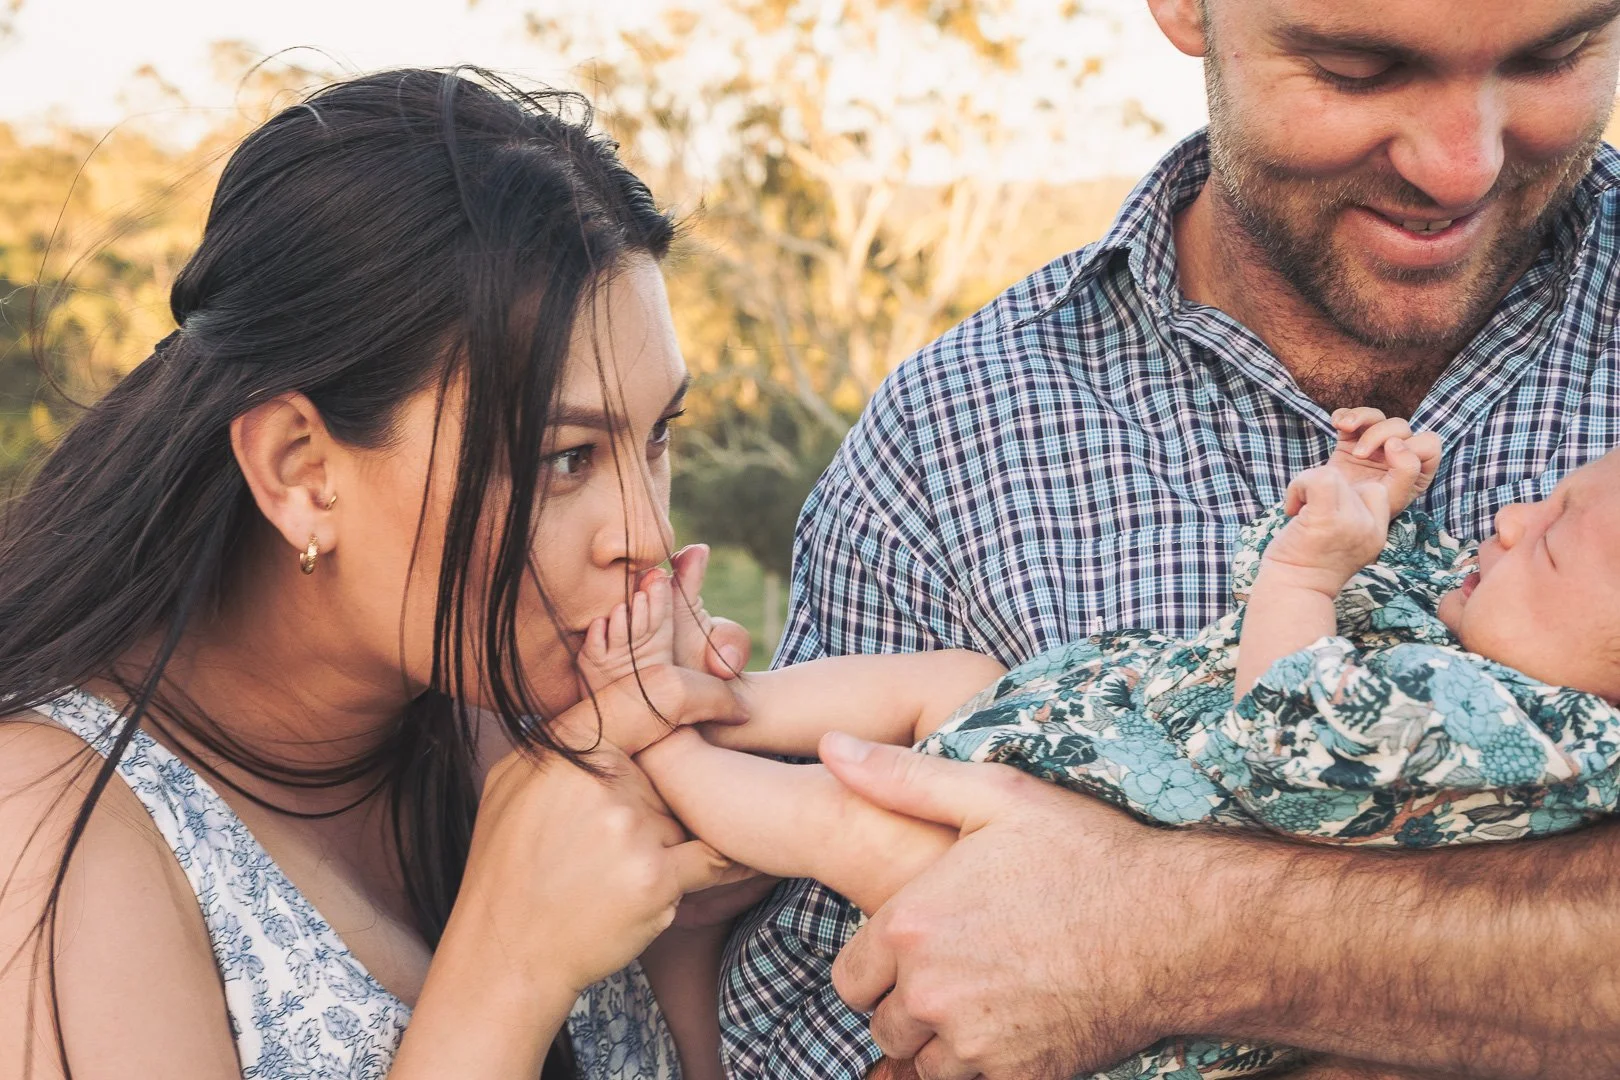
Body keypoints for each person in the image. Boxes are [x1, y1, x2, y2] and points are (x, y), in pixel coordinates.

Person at [726, 1, 1620, 1078]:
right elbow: (810, 1015)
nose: (1460, 166)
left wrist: (1168, 931)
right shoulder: (947, 441)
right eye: (1357, 66)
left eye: (1554, 53)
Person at [0, 68, 760, 1080]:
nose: (645, 533)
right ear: (303, 472)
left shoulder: (513, 724)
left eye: (656, 438)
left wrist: (688, 926)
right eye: (562, 459)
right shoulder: (48, 831)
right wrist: (508, 968)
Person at [583, 411, 1620, 1078]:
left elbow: (1287, 739)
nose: (1517, 513)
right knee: (947, 681)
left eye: (1558, 537)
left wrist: (1309, 575)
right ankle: (719, 700)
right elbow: (1320, 578)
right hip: (1100, 756)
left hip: (1103, 843)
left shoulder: (1537, 737)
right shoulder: (1482, 638)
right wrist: (1361, 500)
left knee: (874, 831)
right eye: (1550, 494)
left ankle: (665, 750)